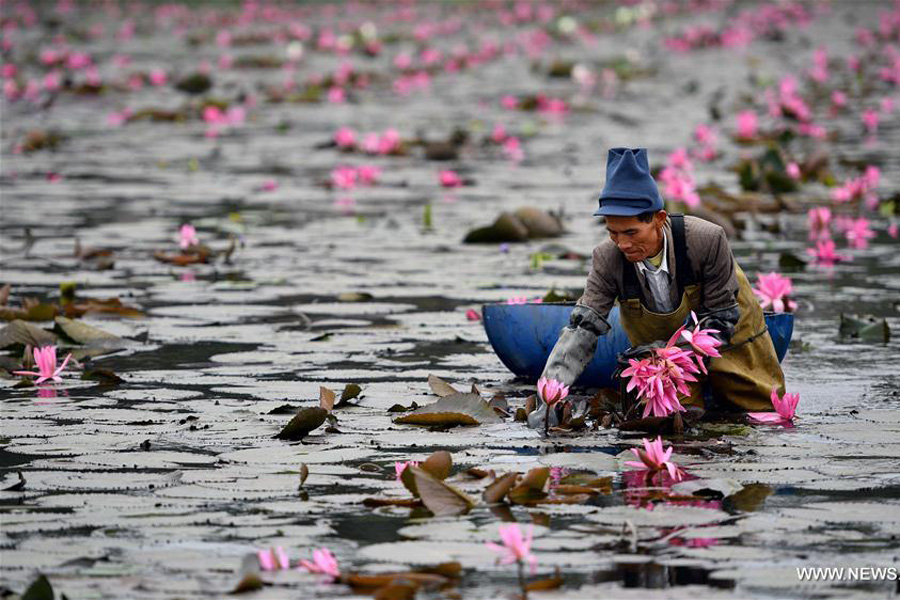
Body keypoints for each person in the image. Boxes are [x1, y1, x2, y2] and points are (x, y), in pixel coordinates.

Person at [528, 147, 785, 427]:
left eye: (631, 233)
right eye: (613, 232)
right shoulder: (607, 257)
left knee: (757, 415)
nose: (622, 244)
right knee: (676, 424)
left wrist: (662, 350)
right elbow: (583, 328)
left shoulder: (707, 241)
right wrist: (548, 397)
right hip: (665, 365)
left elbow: (721, 321)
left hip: (729, 337)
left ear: (659, 220)